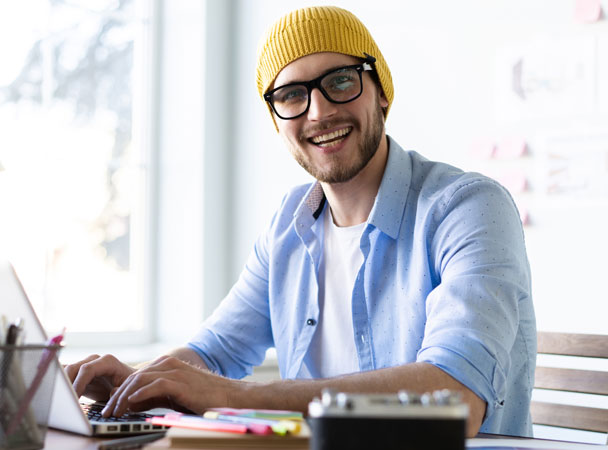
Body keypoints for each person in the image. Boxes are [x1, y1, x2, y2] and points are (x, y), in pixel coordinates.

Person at [65, 5, 536, 438]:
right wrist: (140, 382)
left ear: (381, 93)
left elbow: (456, 398)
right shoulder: (289, 225)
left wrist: (236, 397)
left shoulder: (468, 207)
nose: (319, 111)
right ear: (278, 120)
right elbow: (212, 353)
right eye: (291, 95)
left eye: (341, 82)